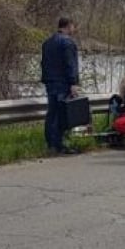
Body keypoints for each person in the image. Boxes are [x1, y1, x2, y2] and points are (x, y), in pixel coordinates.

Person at [40, 17, 80, 155]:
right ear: (68, 26)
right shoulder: (67, 43)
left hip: (50, 82)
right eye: (73, 26)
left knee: (52, 113)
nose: (74, 30)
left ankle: (51, 143)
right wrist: (73, 83)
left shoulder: (47, 43)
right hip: (62, 83)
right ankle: (59, 145)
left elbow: (44, 64)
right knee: (61, 114)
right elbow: (70, 64)